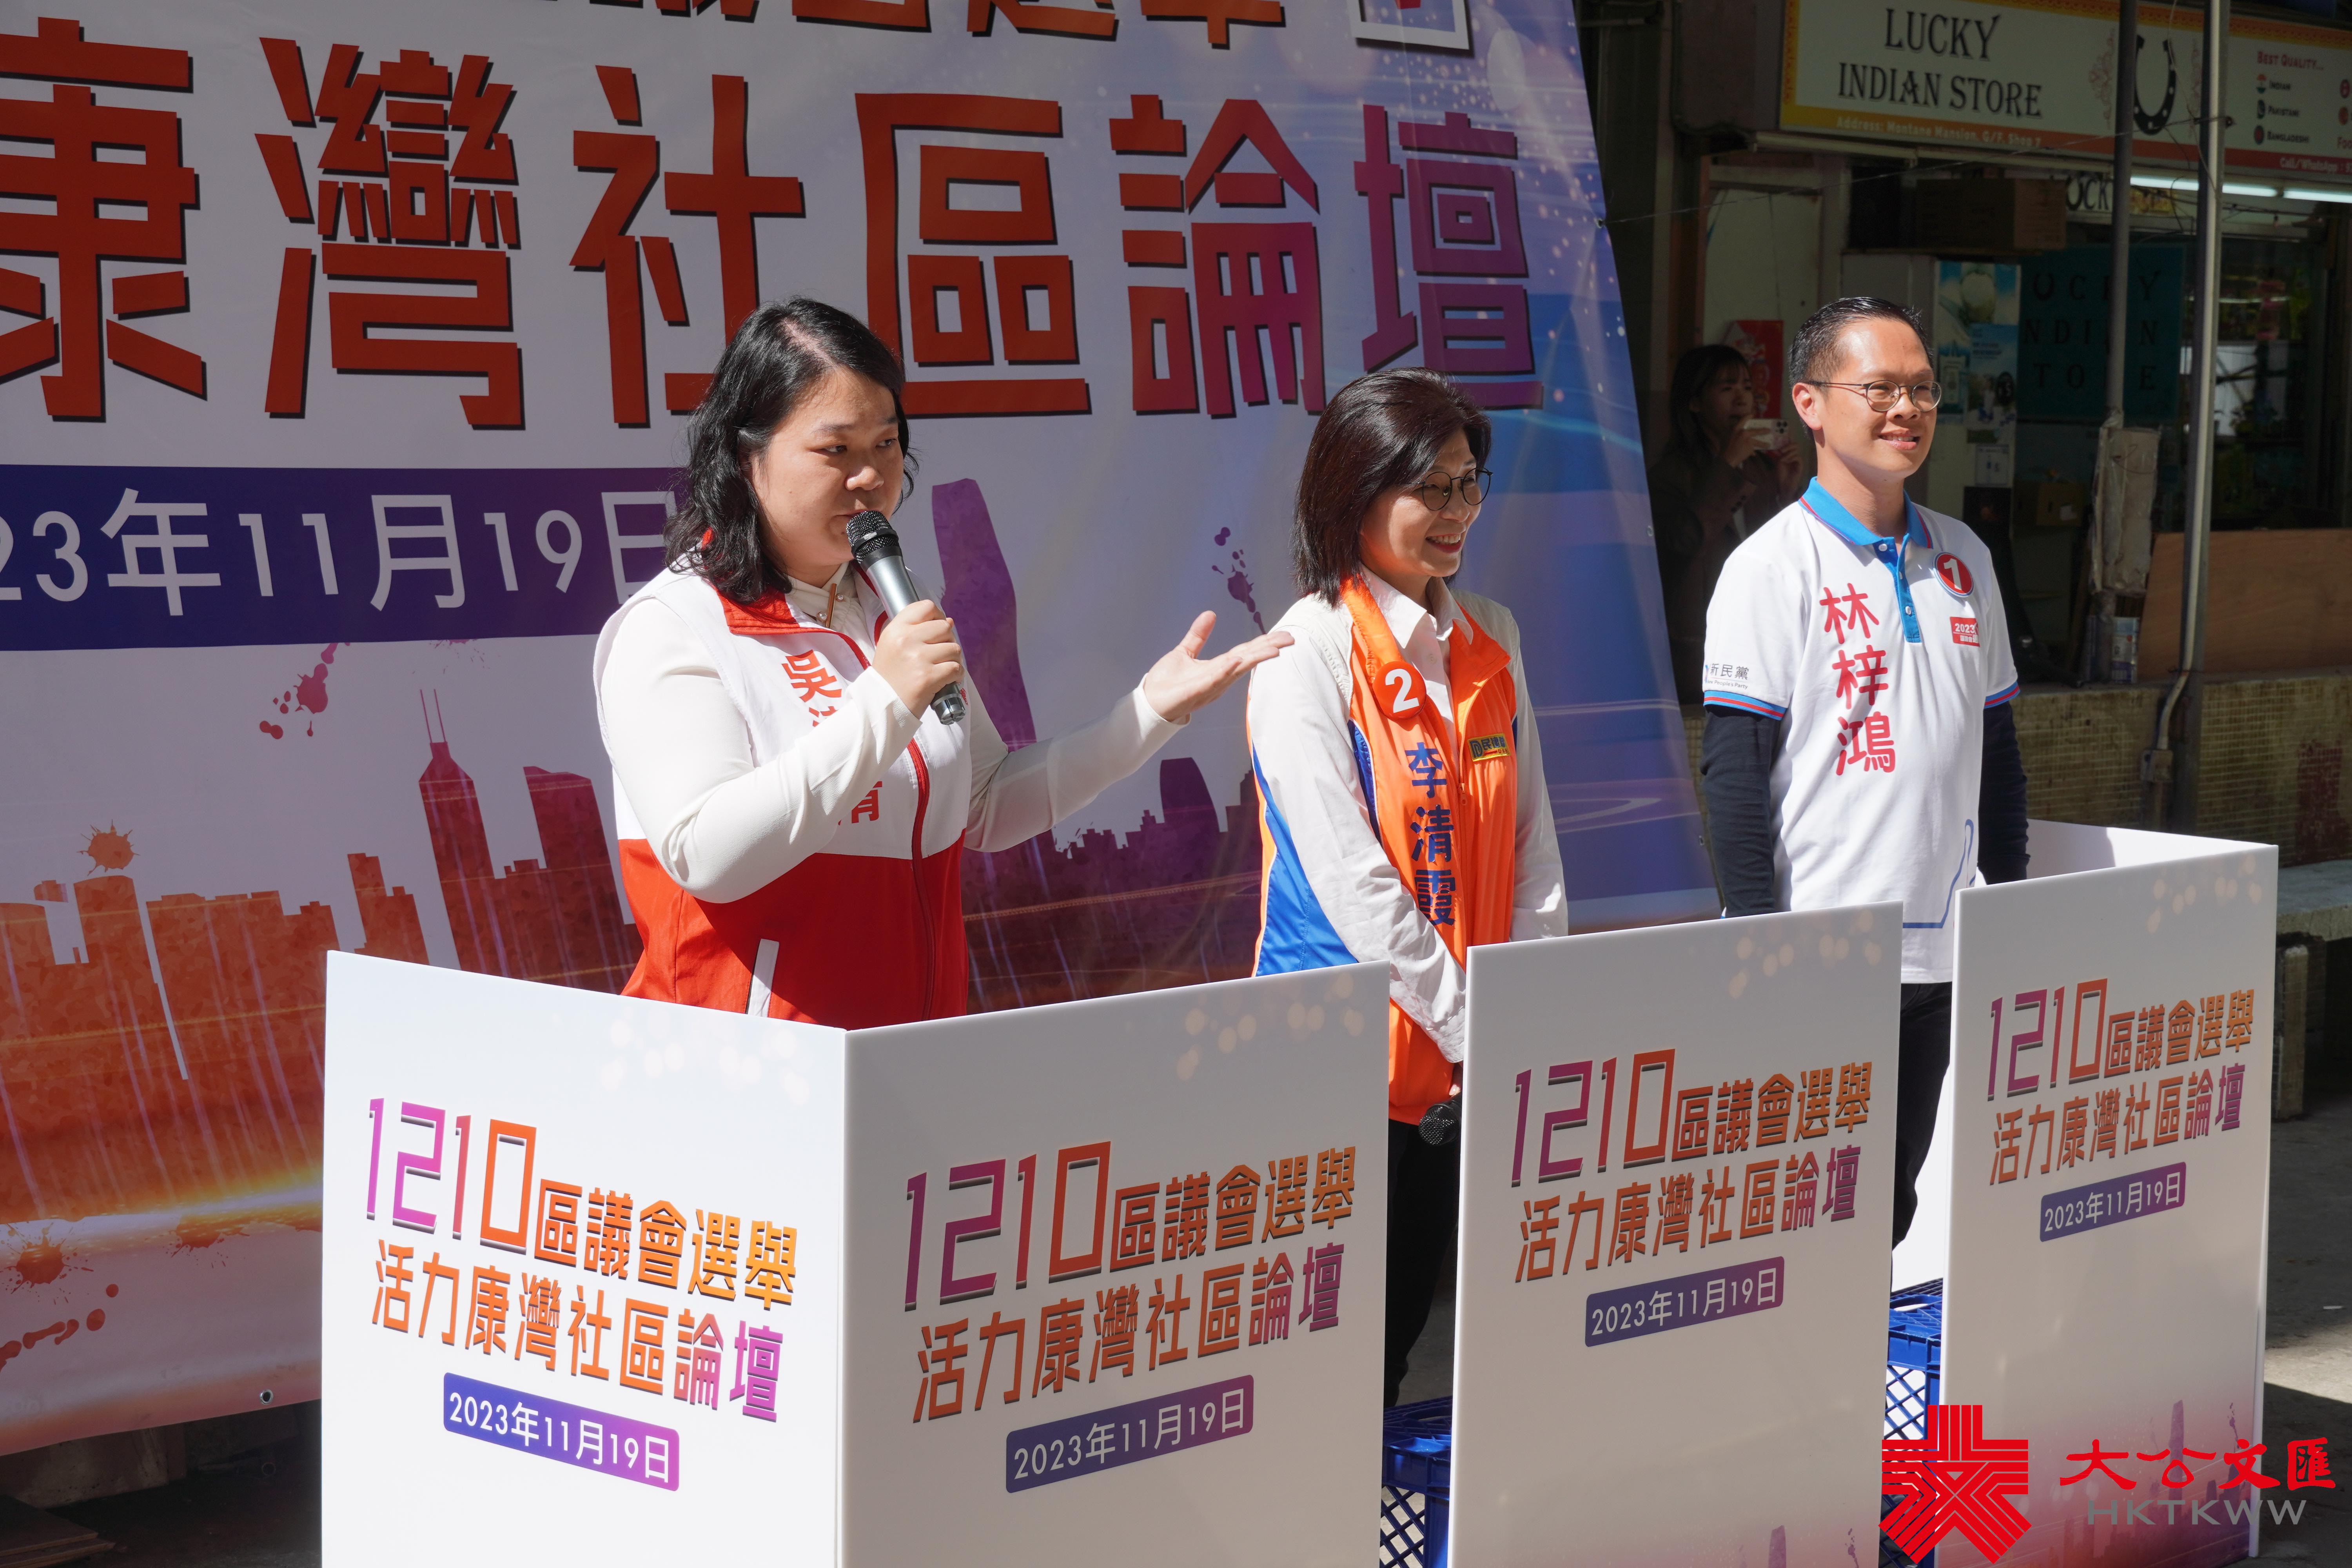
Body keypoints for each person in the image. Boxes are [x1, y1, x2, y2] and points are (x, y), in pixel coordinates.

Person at [594, 297, 1289, 1027]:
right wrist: (886, 702)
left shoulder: (894, 600)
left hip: (905, 1051)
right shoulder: (675, 626)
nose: (869, 477)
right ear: (748, 457)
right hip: (747, 1063)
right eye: (836, 450)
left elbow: (984, 803)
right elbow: (705, 854)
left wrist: (1145, 715)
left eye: (886, 444)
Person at [1245, 368, 1568, 1405]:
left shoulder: (1493, 634)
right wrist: (1476, 1024)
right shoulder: (1305, 653)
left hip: (1463, 1061)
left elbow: (1534, 847)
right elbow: (1353, 881)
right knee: (1318, 1368)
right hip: (1339, 1065)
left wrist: (1524, 1008)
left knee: (1397, 1342)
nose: (1457, 511)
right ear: (1355, 492)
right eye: (1430, 488)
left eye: (1468, 484)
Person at [1698, 297, 2029, 1245]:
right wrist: (1757, 941)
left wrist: (2008, 912)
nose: (1906, 410)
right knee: (1802, 1214)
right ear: (1810, 402)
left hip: (1942, 950)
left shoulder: (1965, 557)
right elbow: (1734, 773)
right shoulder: (1771, 567)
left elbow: (1998, 754)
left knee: (1887, 1208)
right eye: (1879, 388)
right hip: (1819, 954)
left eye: (1923, 389)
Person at [1648, 344, 1804, 702]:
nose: (1742, 398)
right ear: (1695, 402)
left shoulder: (1762, 467)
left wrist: (1786, 492)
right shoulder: (1670, 474)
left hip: (1761, 629)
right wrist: (1726, 465)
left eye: (1747, 387)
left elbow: (1782, 552)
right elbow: (1682, 542)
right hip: (1697, 640)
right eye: (1727, 388)